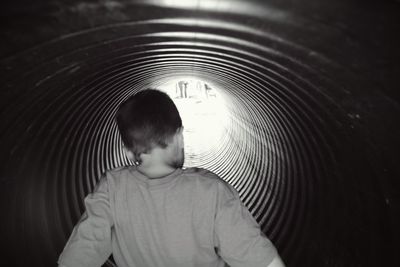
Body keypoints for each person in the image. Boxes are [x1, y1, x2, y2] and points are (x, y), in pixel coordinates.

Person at [58, 89, 285, 267]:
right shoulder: (211, 191)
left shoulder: (112, 187)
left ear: (128, 151)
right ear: (179, 136)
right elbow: (259, 259)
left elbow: (81, 254)